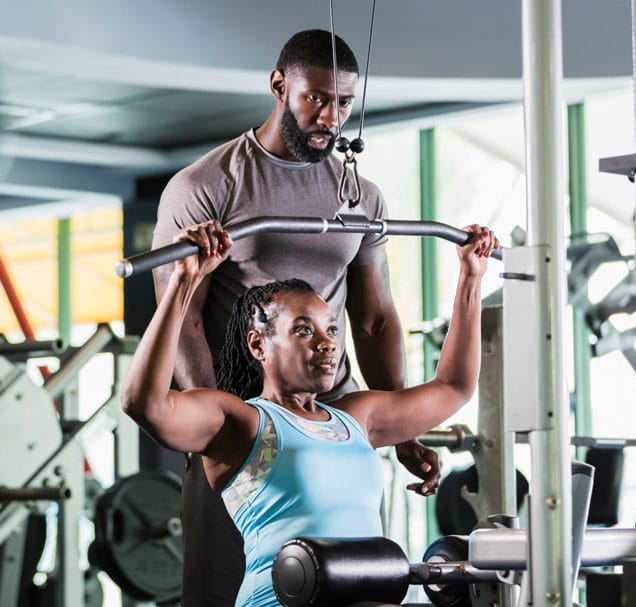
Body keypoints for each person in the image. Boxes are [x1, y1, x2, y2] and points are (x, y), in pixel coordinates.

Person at [151, 29, 440, 605]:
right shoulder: (207, 186)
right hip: (248, 431)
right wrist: (225, 430)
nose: (330, 117)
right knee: (228, 589)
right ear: (280, 86)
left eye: (344, 103)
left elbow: (376, 318)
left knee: (349, 584)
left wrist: (406, 428)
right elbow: (181, 317)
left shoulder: (360, 194)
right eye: (317, 98)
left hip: (336, 424)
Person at [125, 221, 498, 607]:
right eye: (304, 331)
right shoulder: (242, 425)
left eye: (332, 330)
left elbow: (453, 387)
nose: (327, 344)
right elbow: (144, 403)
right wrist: (183, 283)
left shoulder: (356, 419)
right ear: (258, 344)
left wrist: (471, 276)